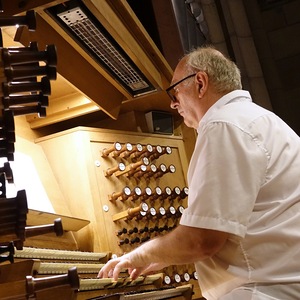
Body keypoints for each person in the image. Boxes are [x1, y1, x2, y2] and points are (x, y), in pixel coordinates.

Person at [98, 46, 300, 300]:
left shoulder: (223, 125)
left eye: (175, 92)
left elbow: (201, 241)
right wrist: (166, 254)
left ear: (201, 83)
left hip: (265, 290)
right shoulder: (260, 119)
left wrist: (140, 253)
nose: (173, 103)